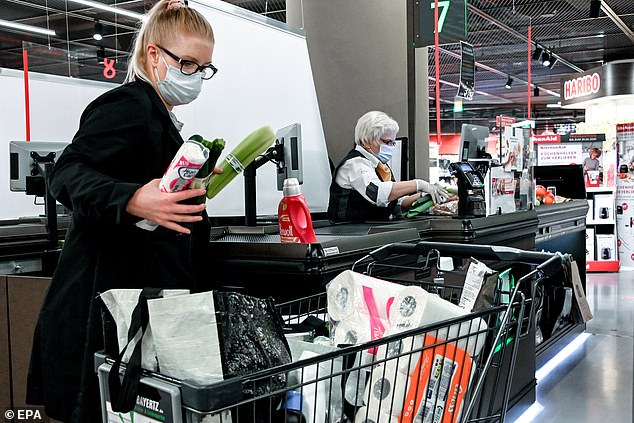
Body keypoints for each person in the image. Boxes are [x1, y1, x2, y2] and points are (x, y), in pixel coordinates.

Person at [26, 1, 217, 421]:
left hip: (137, 309)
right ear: (153, 55)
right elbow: (66, 173)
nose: (196, 77)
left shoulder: (161, 118)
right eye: (187, 64)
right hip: (104, 309)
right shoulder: (130, 104)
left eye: (204, 68)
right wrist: (132, 198)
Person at [328, 110, 448, 222]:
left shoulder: (380, 167)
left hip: (370, 232)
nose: (392, 147)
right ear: (367, 141)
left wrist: (424, 196)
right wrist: (418, 184)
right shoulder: (355, 164)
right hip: (348, 234)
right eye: (387, 142)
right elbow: (379, 194)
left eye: (393, 142)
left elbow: (395, 203)